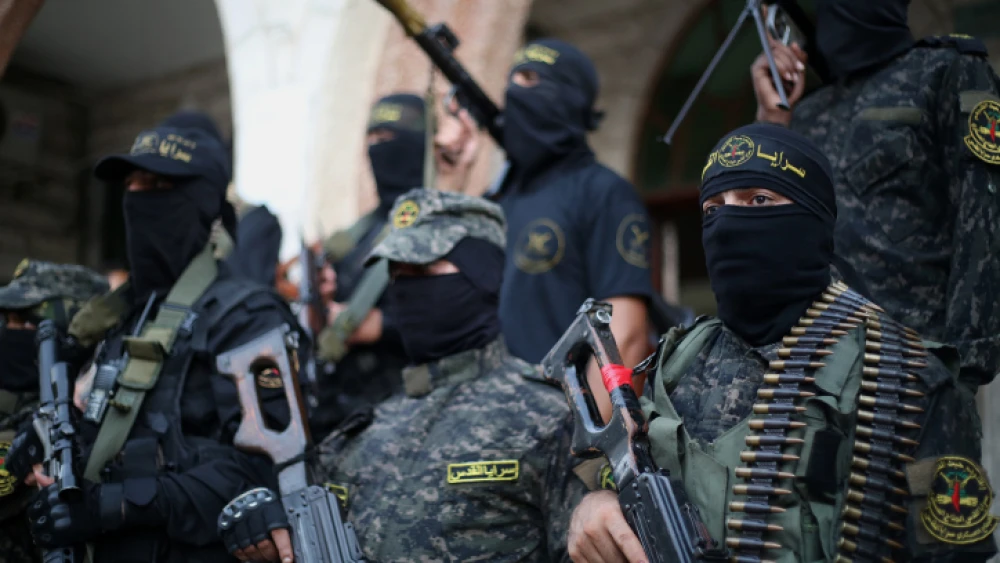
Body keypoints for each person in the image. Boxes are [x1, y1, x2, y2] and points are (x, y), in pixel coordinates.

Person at [566, 123, 997, 563]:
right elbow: (626, 476)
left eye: (758, 200)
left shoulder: (908, 379)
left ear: (812, 219)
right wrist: (595, 504)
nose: (727, 223)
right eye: (713, 209)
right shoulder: (677, 358)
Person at [217, 188, 588, 562]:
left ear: (483, 274)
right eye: (396, 272)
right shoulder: (362, 430)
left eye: (423, 270)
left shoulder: (549, 417)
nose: (405, 285)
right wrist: (265, 521)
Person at [9, 124, 302, 563]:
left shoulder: (246, 317)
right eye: (131, 185)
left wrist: (118, 504)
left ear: (201, 202)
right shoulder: (122, 315)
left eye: (158, 185)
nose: (138, 197)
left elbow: (264, 476)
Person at [752, 1, 1000, 386]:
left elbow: (984, 222)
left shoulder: (946, 71)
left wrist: (963, 370)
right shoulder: (807, 113)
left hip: (914, 372)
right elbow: (765, 244)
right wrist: (772, 124)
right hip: (809, 376)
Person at [493, 39, 654, 418]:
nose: (515, 90)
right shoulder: (499, 200)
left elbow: (626, 338)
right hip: (491, 430)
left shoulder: (603, 192)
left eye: (531, 78)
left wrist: (593, 454)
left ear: (571, 97)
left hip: (560, 427)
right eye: (512, 78)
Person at [312, 93, 428, 433]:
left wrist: (384, 327)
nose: (379, 149)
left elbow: (466, 314)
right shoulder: (361, 230)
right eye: (373, 139)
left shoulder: (439, 223)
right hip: (345, 407)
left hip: (404, 409)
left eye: (389, 138)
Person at [0, 260, 108, 563]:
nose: (10, 331)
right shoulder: (12, 394)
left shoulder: (91, 410)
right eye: (8, 320)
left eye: (24, 321)